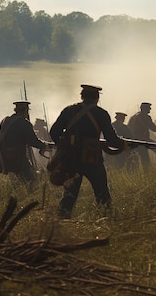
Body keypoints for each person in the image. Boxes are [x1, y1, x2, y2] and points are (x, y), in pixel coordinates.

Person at [49, 84, 129, 219]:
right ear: (97, 98)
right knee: (102, 192)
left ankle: (61, 221)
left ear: (82, 96)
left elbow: (54, 132)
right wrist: (125, 145)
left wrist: (65, 146)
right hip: (92, 158)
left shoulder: (69, 110)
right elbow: (111, 139)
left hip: (71, 158)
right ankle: (106, 219)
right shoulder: (101, 113)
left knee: (70, 193)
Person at [0, 101, 51, 185]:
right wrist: (45, 145)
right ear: (25, 111)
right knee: (31, 180)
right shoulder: (24, 123)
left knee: (17, 181)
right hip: (17, 156)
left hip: (4, 155)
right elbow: (33, 141)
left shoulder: (6, 120)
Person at [128, 102, 156, 170]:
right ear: (145, 109)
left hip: (135, 140)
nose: (150, 109)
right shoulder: (145, 116)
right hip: (143, 140)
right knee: (149, 156)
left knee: (141, 157)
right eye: (149, 108)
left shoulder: (133, 117)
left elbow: (129, 127)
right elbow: (152, 126)